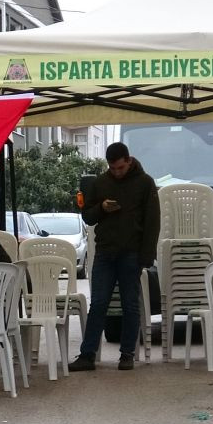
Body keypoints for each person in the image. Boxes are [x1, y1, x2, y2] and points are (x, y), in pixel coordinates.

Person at [69, 142, 159, 372]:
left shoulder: (145, 183)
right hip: (105, 252)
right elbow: (88, 217)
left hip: (131, 253)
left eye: (120, 167)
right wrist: (101, 208)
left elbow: (152, 223)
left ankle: (127, 355)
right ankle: (87, 355)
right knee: (98, 303)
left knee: (130, 305)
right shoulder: (101, 183)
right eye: (112, 168)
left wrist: (146, 257)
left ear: (129, 161)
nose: (116, 172)